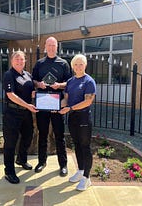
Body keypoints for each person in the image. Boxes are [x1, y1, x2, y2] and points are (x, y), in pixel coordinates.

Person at [32, 36, 72, 177]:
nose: (51, 47)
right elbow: (34, 81)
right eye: (49, 45)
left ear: (57, 47)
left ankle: (63, 165)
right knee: (42, 134)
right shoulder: (39, 63)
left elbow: (69, 83)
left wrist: (59, 85)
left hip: (57, 103)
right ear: (45, 46)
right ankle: (42, 162)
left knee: (59, 135)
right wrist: (39, 84)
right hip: (43, 103)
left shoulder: (63, 64)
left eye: (53, 45)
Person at [59, 54, 96, 191]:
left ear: (85, 65)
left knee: (85, 147)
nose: (78, 67)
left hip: (84, 117)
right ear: (72, 66)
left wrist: (70, 108)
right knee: (77, 145)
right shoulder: (70, 81)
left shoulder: (89, 81)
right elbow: (66, 100)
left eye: (81, 64)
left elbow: (88, 101)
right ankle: (80, 171)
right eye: (76, 64)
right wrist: (58, 106)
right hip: (73, 117)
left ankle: (87, 178)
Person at [2, 51, 38, 184]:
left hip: (26, 113)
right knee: (10, 142)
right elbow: (11, 95)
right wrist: (28, 105)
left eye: (22, 59)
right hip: (12, 113)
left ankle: (21, 159)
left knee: (28, 136)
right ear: (12, 61)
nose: (19, 61)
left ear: (25, 61)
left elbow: (30, 91)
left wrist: (34, 95)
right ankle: (9, 171)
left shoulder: (27, 74)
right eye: (17, 59)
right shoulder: (9, 75)